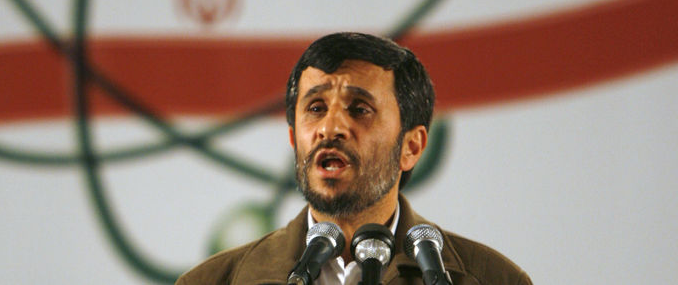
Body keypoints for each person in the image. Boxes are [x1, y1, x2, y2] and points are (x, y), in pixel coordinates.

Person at [176, 32, 532, 284]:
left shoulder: (490, 279)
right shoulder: (214, 281)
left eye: (359, 109)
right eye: (316, 108)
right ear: (293, 139)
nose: (330, 128)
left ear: (411, 147)